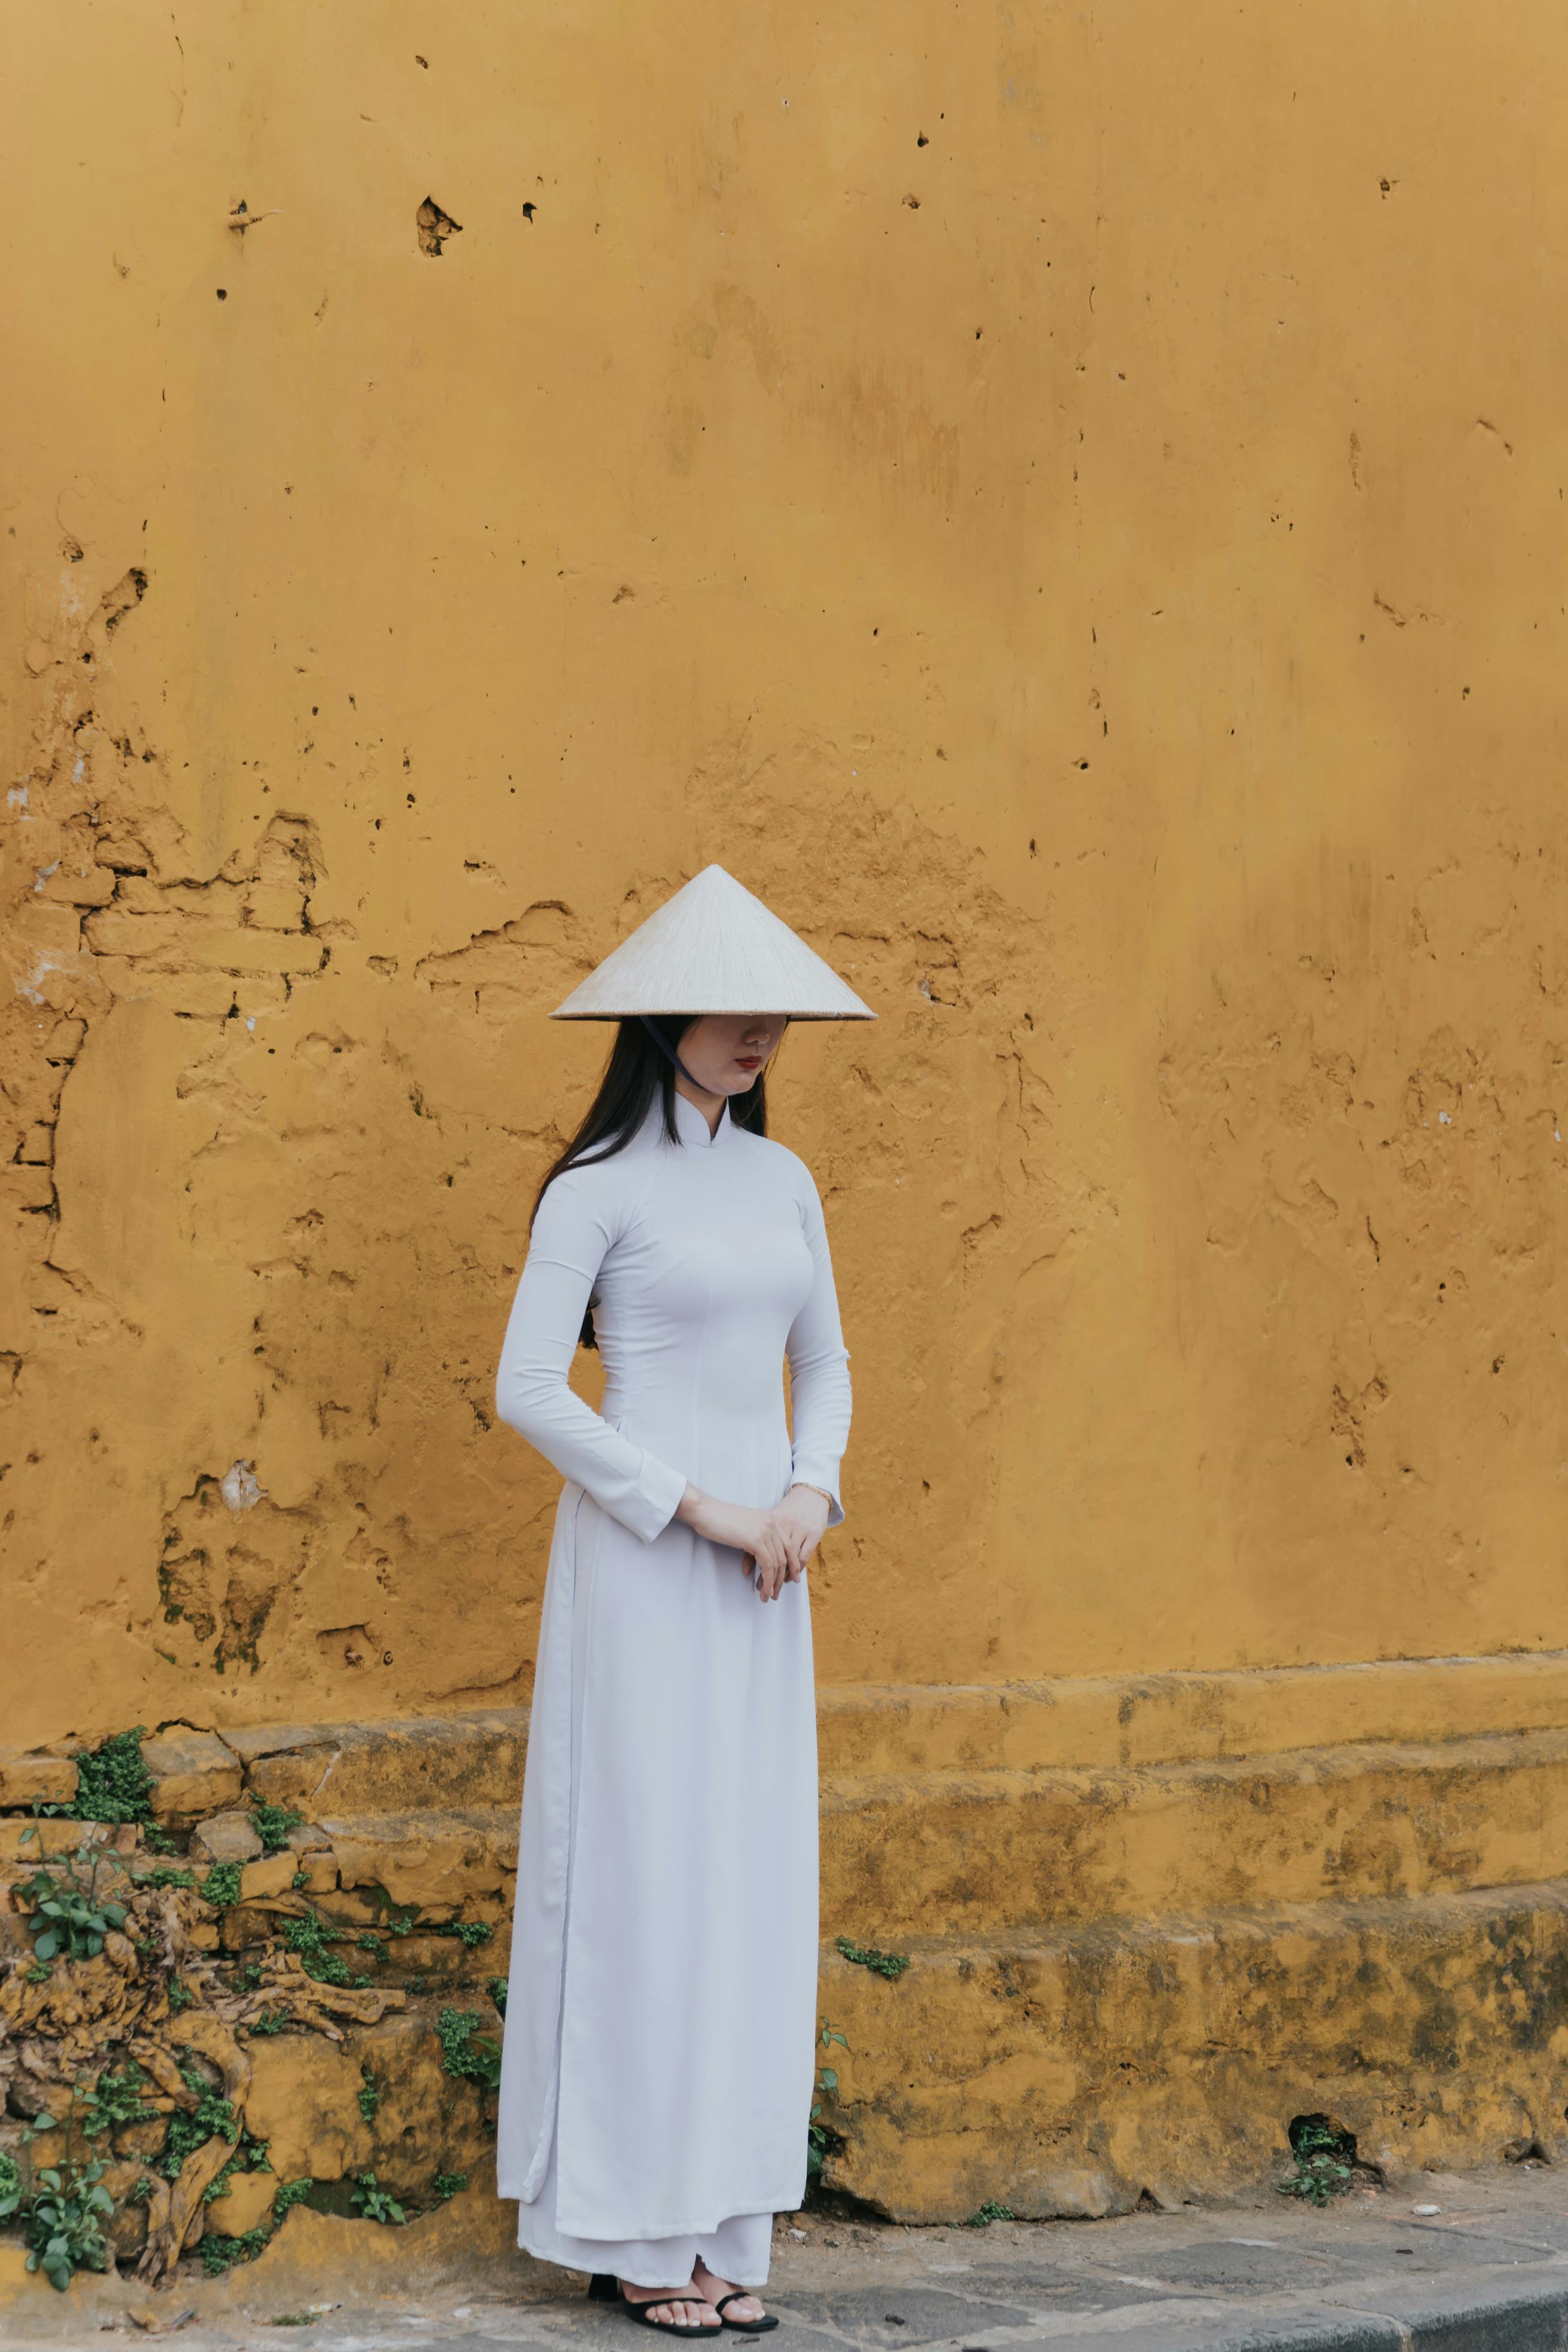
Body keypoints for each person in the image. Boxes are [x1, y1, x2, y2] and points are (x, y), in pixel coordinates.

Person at [494, 865, 875, 2334]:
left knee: (746, 1882)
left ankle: (726, 2225)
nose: (761, 1029)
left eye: (779, 1009)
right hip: (648, 1566)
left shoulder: (783, 1183)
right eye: (734, 1005)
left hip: (767, 1576)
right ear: (660, 1017)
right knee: (649, 1885)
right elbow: (528, 1389)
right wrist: (699, 1505)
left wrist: (804, 1494)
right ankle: (637, 2230)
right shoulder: (598, 1191)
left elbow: (823, 1367)